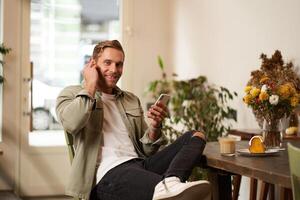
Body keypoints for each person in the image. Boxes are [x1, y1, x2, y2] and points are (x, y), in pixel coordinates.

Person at [56, 40, 211, 200]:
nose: (114, 70)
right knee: (173, 193)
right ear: (93, 64)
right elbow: (71, 123)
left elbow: (147, 150)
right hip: (107, 174)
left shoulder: (130, 99)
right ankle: (167, 187)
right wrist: (90, 86)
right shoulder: (71, 94)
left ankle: (170, 182)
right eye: (107, 63)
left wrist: (155, 127)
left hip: (140, 165)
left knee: (196, 136)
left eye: (119, 64)